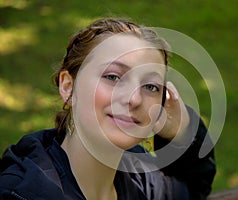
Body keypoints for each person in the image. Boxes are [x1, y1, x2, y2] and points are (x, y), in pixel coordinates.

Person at [0, 18, 216, 200]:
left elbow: (193, 187)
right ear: (68, 87)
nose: (134, 98)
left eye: (150, 86)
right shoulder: (22, 193)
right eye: (113, 77)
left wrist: (180, 128)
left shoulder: (138, 178)